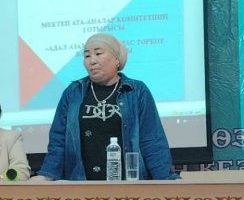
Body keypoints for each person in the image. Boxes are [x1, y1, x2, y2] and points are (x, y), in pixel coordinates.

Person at [34, 33, 177, 181]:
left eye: (98, 53)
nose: (92, 61)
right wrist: (47, 175)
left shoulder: (136, 91)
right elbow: (58, 140)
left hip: (128, 184)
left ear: (116, 59)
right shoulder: (73, 92)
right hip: (81, 183)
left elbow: (152, 140)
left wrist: (165, 179)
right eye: (87, 56)